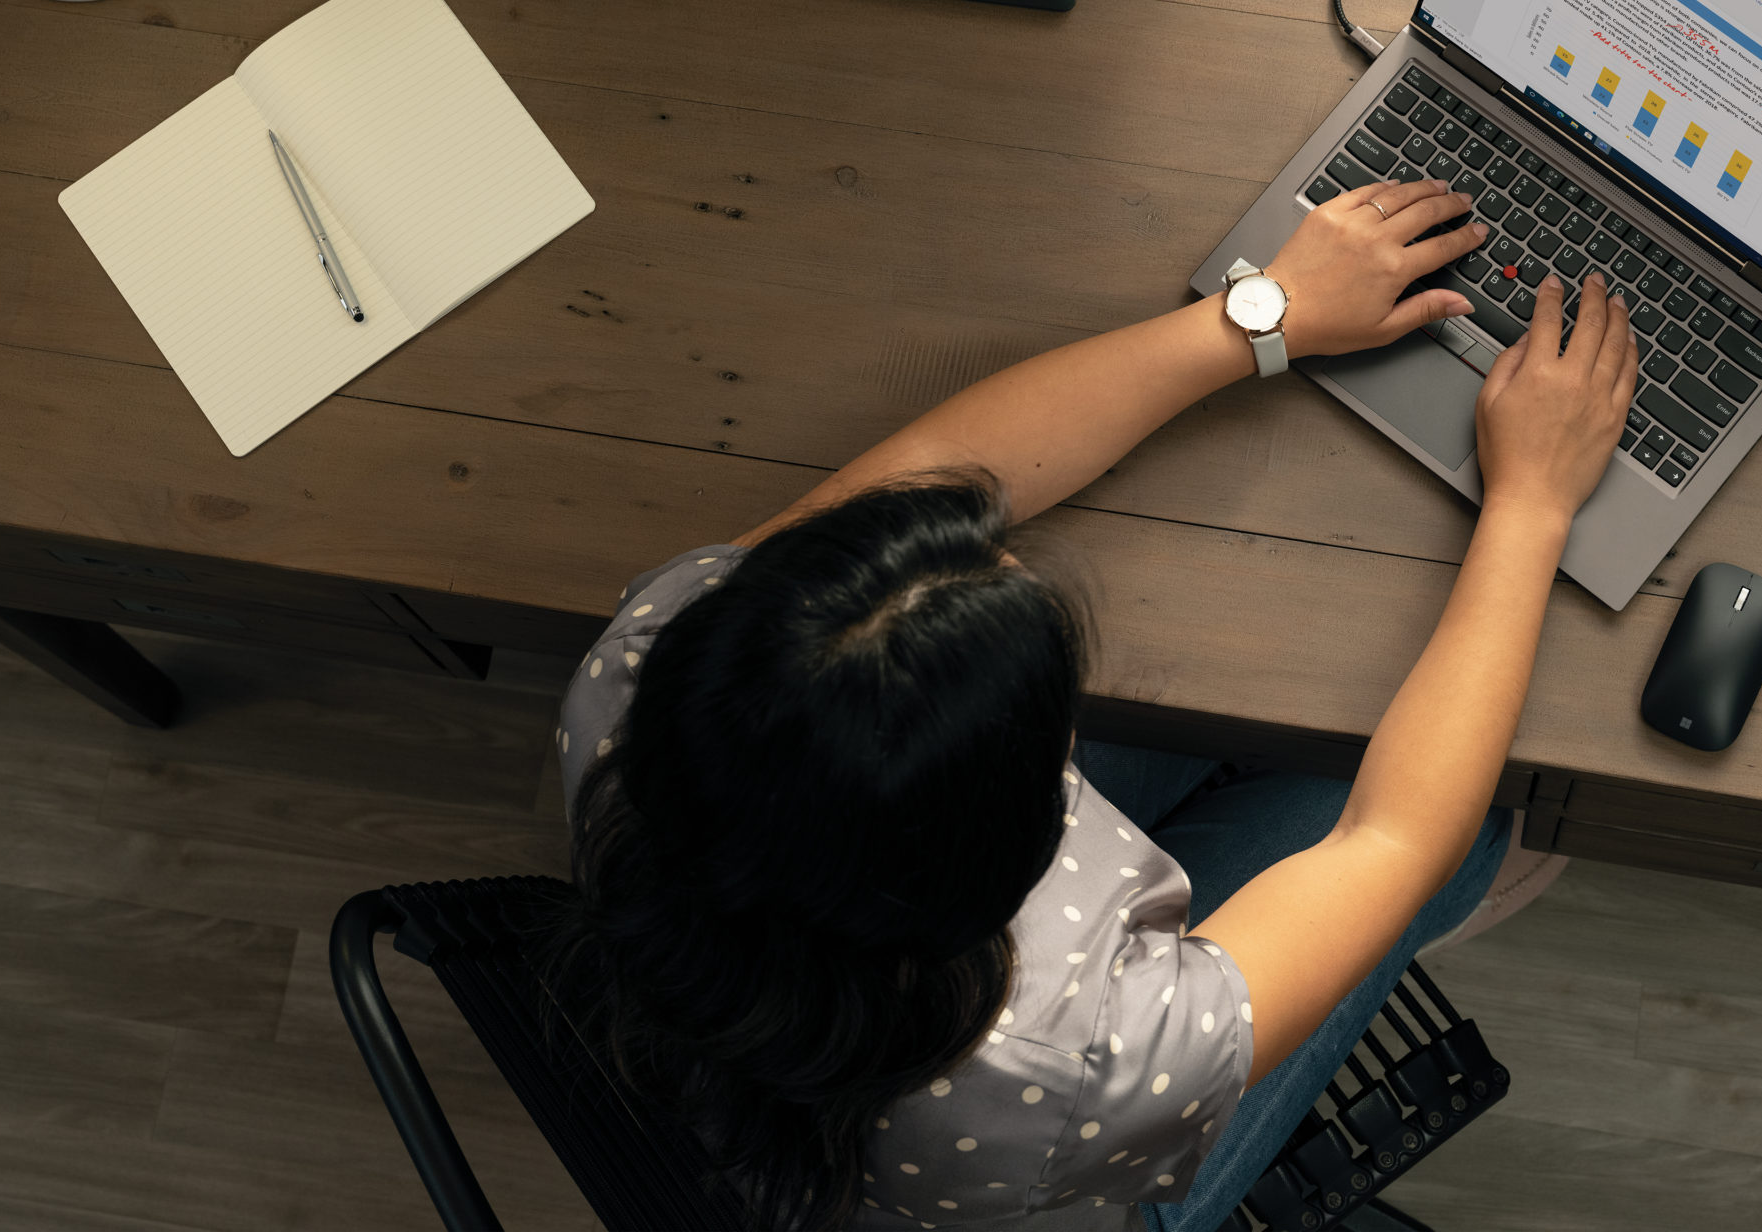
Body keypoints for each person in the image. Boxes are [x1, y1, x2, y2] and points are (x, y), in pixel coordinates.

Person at [552, 174, 1638, 1230]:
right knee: (1471, 830)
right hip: (1065, 1173)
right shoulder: (1082, 1065)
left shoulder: (654, 659)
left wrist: (1262, 315)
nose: (1007, 553)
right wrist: (1533, 502)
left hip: (799, 1028)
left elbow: (943, 467)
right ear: (1024, 833)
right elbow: (1392, 836)